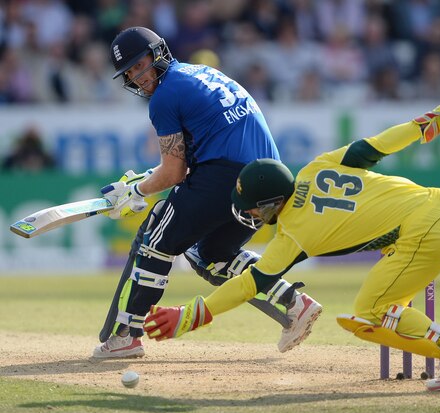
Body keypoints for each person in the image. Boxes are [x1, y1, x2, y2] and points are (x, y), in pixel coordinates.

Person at [142, 103, 440, 392]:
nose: (251, 217)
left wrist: (188, 316)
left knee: (369, 312)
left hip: (421, 234)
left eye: (254, 209)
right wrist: (432, 122)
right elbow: (379, 144)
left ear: (269, 204)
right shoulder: (316, 166)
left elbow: (250, 283)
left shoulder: (293, 234)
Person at [93, 27, 322, 359]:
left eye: (139, 65)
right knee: (210, 255)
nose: (138, 76)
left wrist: (136, 192)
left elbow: (174, 172)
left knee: (156, 238)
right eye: (129, 72)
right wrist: (138, 186)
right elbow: (188, 160)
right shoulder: (201, 72)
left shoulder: (164, 97)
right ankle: (294, 304)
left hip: (228, 174)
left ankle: (126, 334)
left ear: (158, 54)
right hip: (270, 180)